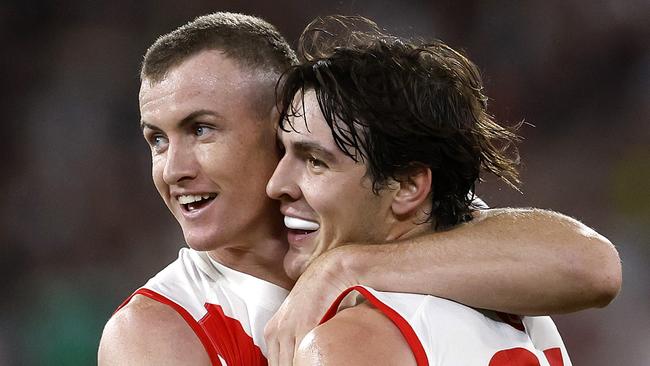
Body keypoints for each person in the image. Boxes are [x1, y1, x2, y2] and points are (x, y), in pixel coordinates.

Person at [97, 12, 621, 366]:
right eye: (156, 140)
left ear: (282, 127)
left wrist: (343, 268)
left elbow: (594, 266)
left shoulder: (418, 236)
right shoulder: (155, 331)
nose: (173, 169)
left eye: (202, 129)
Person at [266, 15, 574, 365]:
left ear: (409, 186)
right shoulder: (523, 306)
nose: (276, 185)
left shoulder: (349, 343)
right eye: (283, 152)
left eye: (315, 161)